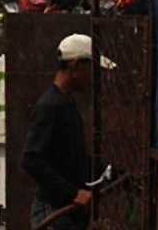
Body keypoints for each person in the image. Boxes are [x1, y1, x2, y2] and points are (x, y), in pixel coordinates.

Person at [21, 33, 116, 230]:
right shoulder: (50, 106)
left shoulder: (66, 103)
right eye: (91, 69)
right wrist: (72, 193)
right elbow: (31, 160)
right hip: (53, 211)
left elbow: (68, 156)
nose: (93, 77)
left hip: (65, 211)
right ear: (75, 66)